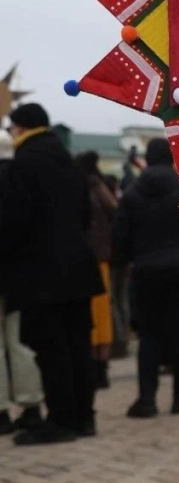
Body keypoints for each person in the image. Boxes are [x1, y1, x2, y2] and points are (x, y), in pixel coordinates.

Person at [0, 103, 104, 444]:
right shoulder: (71, 165)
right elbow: (85, 217)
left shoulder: (22, 165)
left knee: (51, 348)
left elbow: (12, 222)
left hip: (39, 272)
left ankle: (61, 420)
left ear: (20, 128)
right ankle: (84, 418)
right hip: (78, 268)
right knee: (77, 346)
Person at [112, 138, 179, 417]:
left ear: (147, 160)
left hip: (146, 269)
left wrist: (126, 261)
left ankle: (147, 399)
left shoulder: (132, 194)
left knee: (149, 335)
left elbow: (120, 238)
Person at [0, 131, 45, 435]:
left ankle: (1, 412)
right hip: (20, 274)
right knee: (20, 343)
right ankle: (31, 407)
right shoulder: (23, 180)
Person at [76, 151, 118, 390]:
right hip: (102, 258)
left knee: (90, 316)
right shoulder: (99, 187)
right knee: (103, 316)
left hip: (82, 259)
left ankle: (93, 367)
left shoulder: (76, 187)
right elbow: (115, 209)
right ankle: (103, 368)